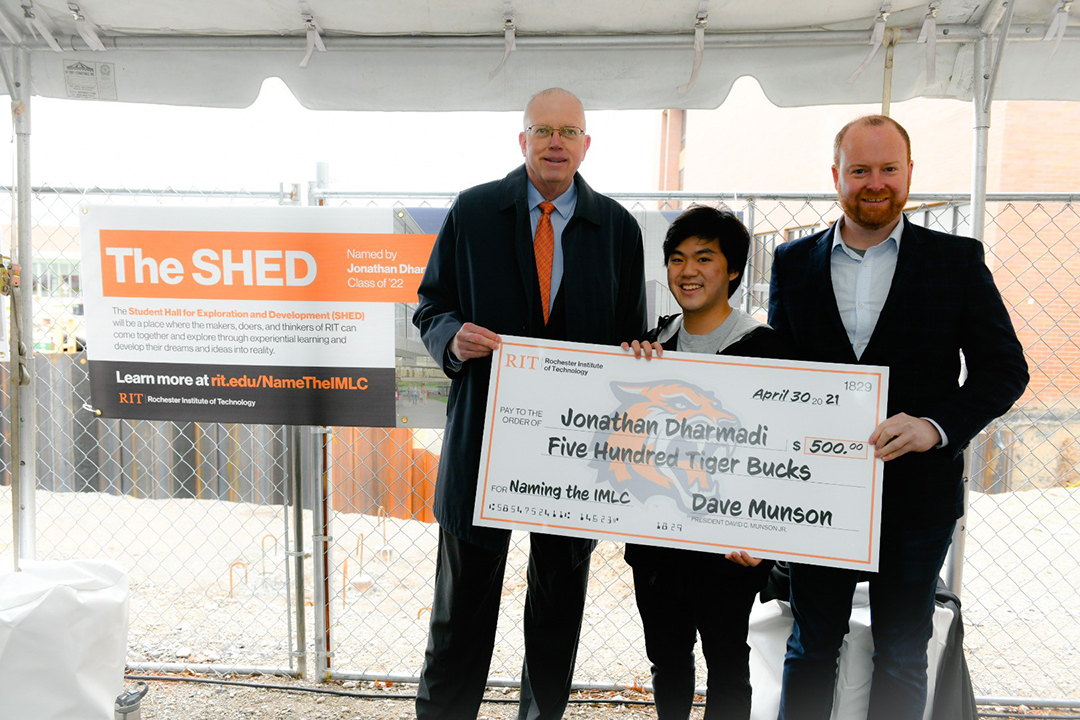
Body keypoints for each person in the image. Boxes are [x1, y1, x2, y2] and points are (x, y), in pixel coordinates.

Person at [768, 115, 1028, 720]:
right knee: (810, 646)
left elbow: (1004, 370)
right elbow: (775, 373)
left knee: (904, 652)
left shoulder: (956, 261)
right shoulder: (791, 261)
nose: (875, 183)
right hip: (819, 495)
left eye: (889, 169)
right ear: (836, 176)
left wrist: (935, 426)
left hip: (919, 494)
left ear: (910, 173)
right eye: (860, 170)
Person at [411, 87, 647, 720]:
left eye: (569, 131)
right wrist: (451, 338)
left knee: (558, 605)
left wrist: (638, 355)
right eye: (543, 129)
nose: (555, 141)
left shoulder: (618, 228)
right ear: (522, 141)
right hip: (484, 438)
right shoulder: (476, 210)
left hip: (574, 452)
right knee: (461, 609)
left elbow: (632, 334)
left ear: (586, 145)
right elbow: (430, 306)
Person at [621, 205, 790, 719]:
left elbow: (781, 455)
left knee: (726, 664)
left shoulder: (767, 350)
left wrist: (765, 537)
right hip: (658, 545)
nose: (687, 271)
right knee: (666, 661)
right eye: (676, 259)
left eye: (703, 258)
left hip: (728, 548)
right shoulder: (651, 345)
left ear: (733, 270)